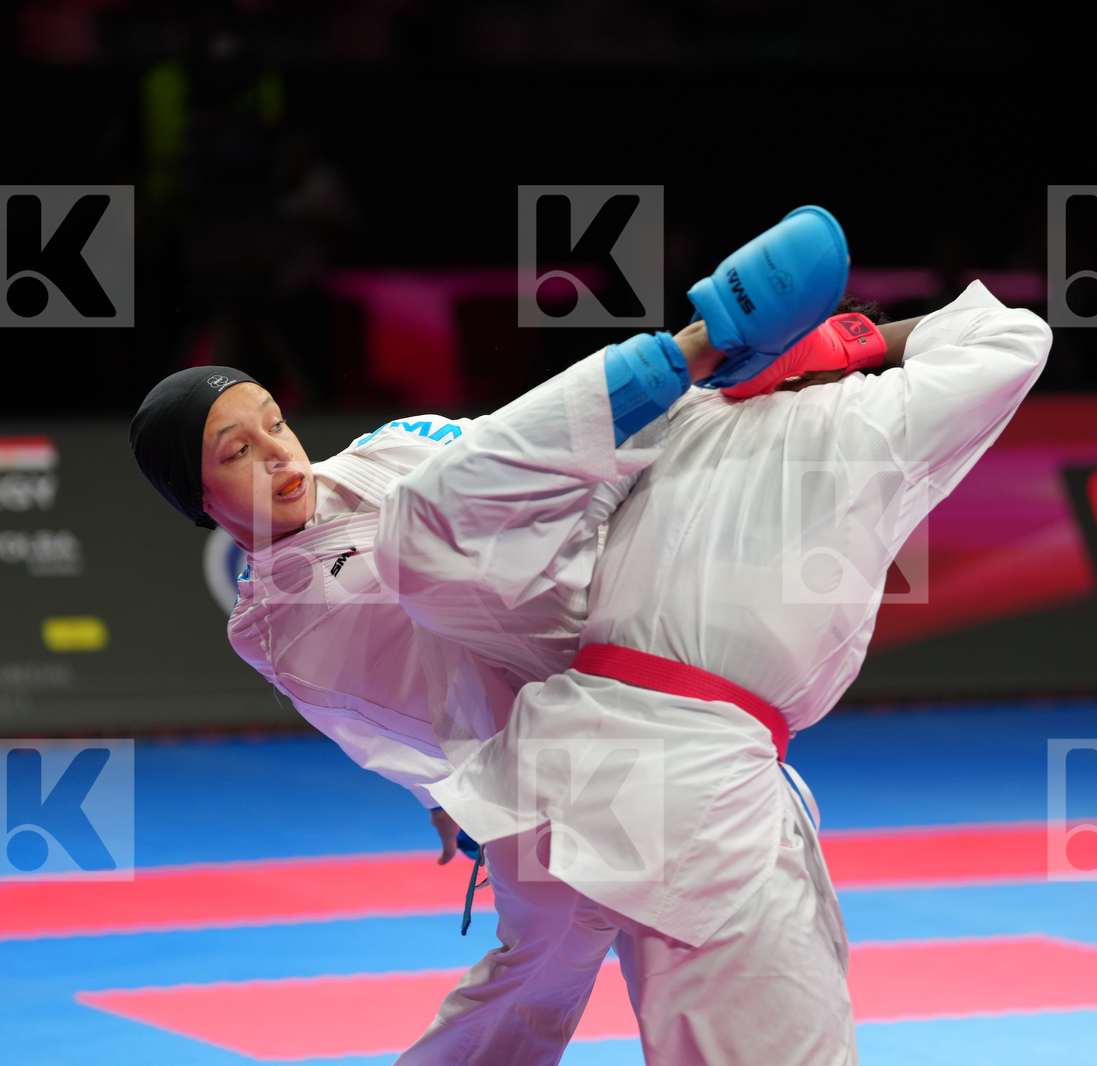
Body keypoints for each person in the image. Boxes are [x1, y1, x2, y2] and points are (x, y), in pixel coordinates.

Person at [127, 207, 853, 1064]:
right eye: (236, 452)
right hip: (561, 765)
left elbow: (524, 450)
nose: (280, 455)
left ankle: (779, 358)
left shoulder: (384, 449)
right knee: (570, 959)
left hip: (615, 695)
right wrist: (445, 793)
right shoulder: (283, 623)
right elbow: (397, 697)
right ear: (198, 501)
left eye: (274, 423)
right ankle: (728, 349)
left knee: (548, 966)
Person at [379, 269, 1052, 1063]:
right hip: (691, 785)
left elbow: (509, 547)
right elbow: (1015, 334)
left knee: (511, 1007)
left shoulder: (673, 414)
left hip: (553, 759)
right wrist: (859, 343)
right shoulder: (864, 415)